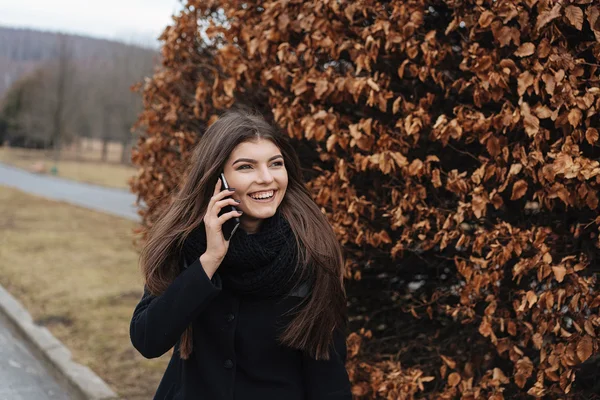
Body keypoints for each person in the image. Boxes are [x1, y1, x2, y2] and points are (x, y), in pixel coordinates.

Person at [130, 109, 352, 399]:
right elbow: (148, 339)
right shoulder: (185, 243)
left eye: (275, 164)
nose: (266, 178)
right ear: (216, 178)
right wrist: (209, 261)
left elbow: (328, 374)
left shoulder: (310, 251)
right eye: (246, 167)